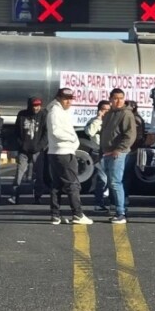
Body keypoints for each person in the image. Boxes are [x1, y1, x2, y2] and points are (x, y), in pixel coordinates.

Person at [47, 87, 91, 225]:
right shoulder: (55, 112)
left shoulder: (60, 111)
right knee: (73, 183)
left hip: (58, 152)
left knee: (57, 185)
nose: (68, 102)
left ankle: (55, 215)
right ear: (59, 98)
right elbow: (56, 132)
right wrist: (72, 138)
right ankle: (77, 214)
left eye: (70, 99)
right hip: (63, 152)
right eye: (65, 99)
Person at [95, 87, 136, 224]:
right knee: (111, 182)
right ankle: (118, 209)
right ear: (110, 99)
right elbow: (104, 133)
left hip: (117, 153)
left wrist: (119, 149)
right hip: (107, 152)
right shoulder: (109, 114)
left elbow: (130, 134)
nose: (118, 101)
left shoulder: (126, 114)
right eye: (115, 98)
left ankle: (121, 213)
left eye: (121, 98)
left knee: (115, 182)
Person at [12, 97, 46, 205]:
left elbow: (46, 133)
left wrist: (40, 146)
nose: (36, 107)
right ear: (30, 105)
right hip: (24, 149)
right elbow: (16, 131)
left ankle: (38, 196)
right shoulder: (22, 115)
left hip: (37, 150)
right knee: (19, 173)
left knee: (39, 174)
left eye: (38, 105)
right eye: (34, 105)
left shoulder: (44, 115)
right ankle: (14, 195)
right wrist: (21, 145)